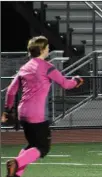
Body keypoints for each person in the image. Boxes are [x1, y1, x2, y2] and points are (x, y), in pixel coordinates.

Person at [1, 36, 84, 177]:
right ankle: (16, 162)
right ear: (42, 49)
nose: (48, 49)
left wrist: (8, 109)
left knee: (32, 145)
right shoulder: (47, 67)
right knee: (42, 147)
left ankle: (16, 174)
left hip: (23, 113)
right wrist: (76, 81)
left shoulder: (24, 68)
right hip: (36, 114)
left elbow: (11, 91)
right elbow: (65, 84)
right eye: (47, 47)